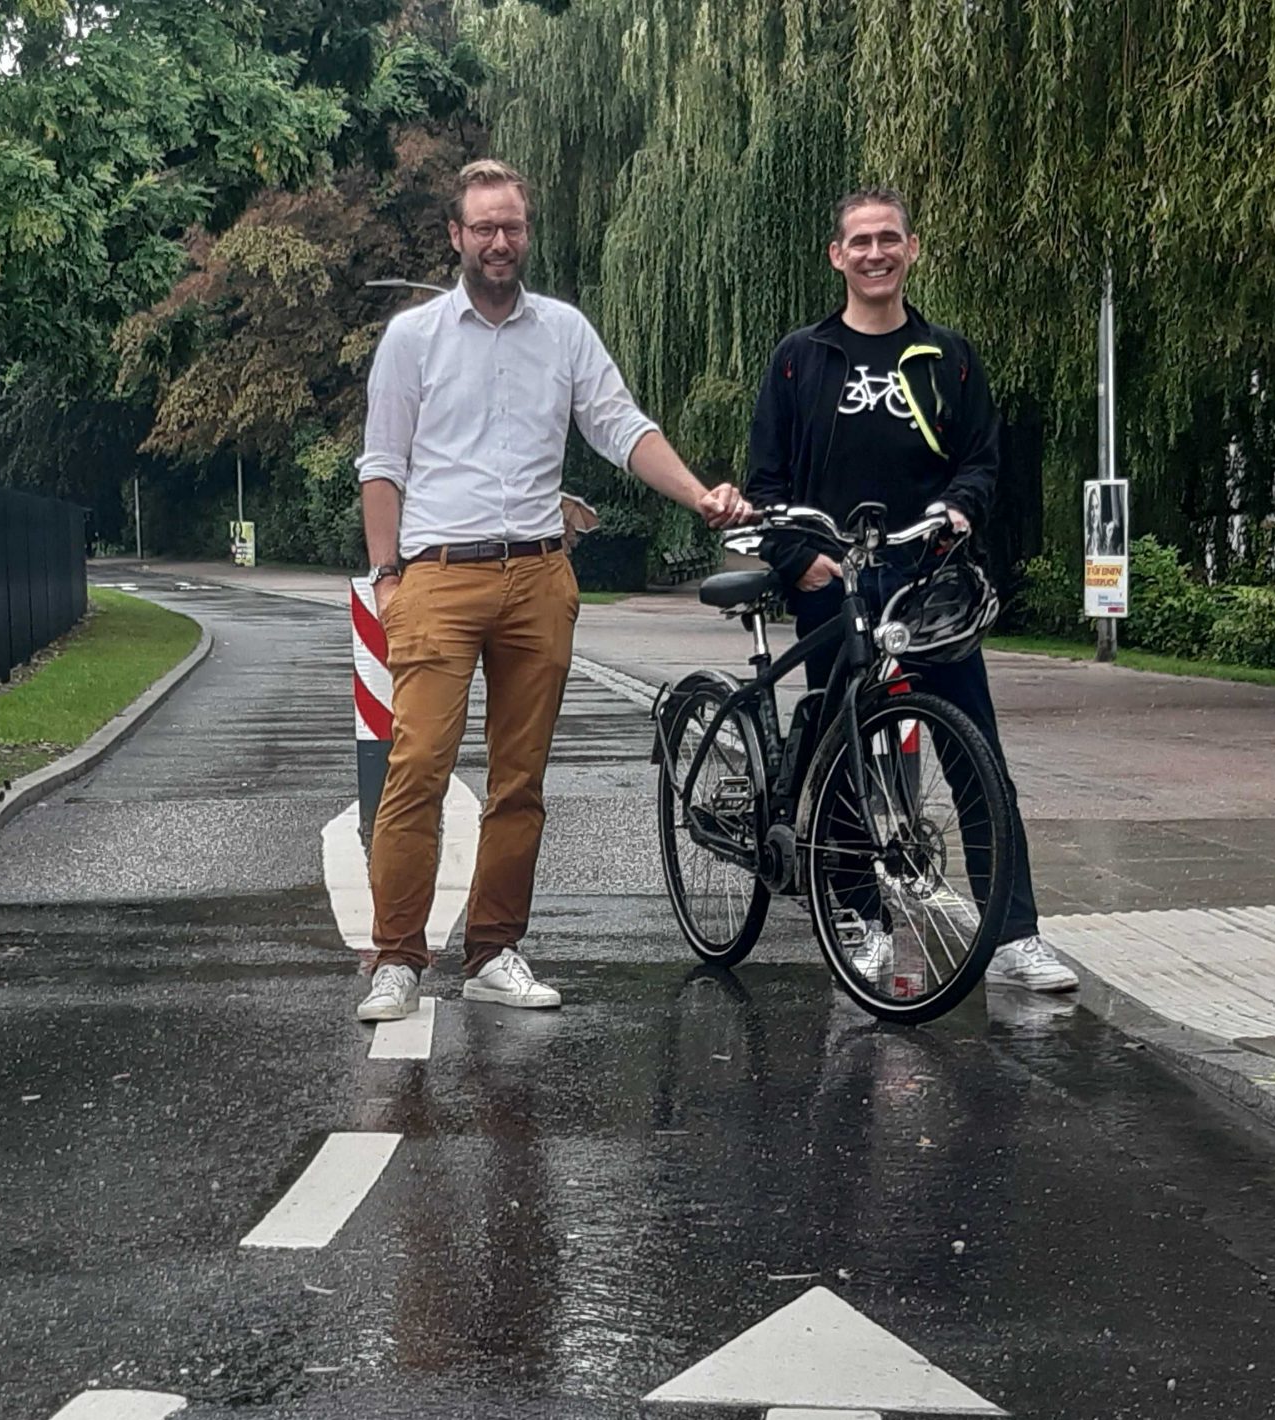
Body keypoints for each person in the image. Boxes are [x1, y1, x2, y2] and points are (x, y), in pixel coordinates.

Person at [353, 158, 749, 1023]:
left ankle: (493, 950)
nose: (500, 241)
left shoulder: (564, 332)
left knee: (519, 779)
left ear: (527, 235)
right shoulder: (413, 339)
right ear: (456, 236)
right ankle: (396, 960)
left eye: (513, 227)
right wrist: (388, 579)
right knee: (415, 768)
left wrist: (699, 493)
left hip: (538, 575)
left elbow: (621, 427)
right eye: (484, 227)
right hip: (437, 577)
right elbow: (381, 465)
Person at [742, 186, 1078, 993]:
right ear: (837, 256)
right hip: (837, 579)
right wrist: (798, 560)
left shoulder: (950, 357)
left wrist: (959, 507)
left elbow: (983, 458)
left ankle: (1014, 933)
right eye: (859, 241)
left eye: (888, 239)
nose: (875, 254)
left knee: (975, 753)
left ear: (912, 249)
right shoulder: (800, 358)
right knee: (847, 754)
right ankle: (859, 913)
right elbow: (767, 480)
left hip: (929, 581)